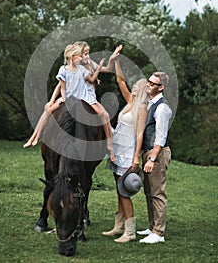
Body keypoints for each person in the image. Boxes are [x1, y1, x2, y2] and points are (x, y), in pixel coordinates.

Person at [23, 43, 119, 161]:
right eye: (84, 54)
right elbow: (60, 86)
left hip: (87, 97)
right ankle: (35, 136)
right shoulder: (66, 69)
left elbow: (102, 72)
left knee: (104, 115)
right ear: (74, 56)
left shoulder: (87, 65)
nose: (87, 57)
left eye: (87, 54)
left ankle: (109, 145)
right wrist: (52, 101)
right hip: (71, 96)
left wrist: (109, 61)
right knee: (48, 109)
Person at [102, 51, 148, 243]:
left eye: (138, 86)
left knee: (124, 191)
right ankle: (119, 225)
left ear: (144, 90)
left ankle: (130, 232)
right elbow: (121, 82)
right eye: (134, 86)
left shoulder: (142, 107)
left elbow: (140, 134)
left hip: (129, 153)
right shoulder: (130, 102)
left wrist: (136, 157)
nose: (134, 87)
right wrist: (117, 62)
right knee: (118, 188)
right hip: (118, 152)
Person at [137, 72, 172, 244]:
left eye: (153, 83)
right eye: (149, 82)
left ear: (161, 87)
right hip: (148, 152)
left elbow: (161, 136)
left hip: (156, 153)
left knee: (157, 193)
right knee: (149, 191)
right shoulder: (151, 104)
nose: (149, 85)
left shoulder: (162, 107)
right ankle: (152, 227)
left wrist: (152, 159)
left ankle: (159, 233)